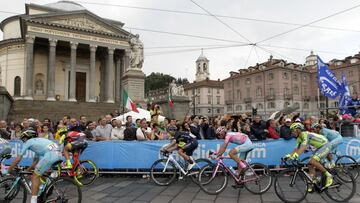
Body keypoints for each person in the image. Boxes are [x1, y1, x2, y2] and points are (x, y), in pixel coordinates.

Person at [2, 129, 62, 203]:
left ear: (27, 137)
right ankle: (44, 192)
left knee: (35, 176)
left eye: (23, 139)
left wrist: (8, 170)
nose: (23, 141)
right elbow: (35, 162)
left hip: (50, 155)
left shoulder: (29, 141)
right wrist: (27, 170)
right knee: (40, 174)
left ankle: (33, 200)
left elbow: (18, 159)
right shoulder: (39, 142)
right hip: (58, 155)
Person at [284, 123, 332, 192]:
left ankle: (328, 175)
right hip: (319, 147)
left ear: (298, 130)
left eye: (293, 131)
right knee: (310, 164)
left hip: (325, 145)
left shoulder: (305, 134)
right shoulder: (298, 139)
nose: (292, 133)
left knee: (313, 161)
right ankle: (313, 183)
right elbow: (295, 150)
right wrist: (288, 156)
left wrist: (295, 156)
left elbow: (303, 147)